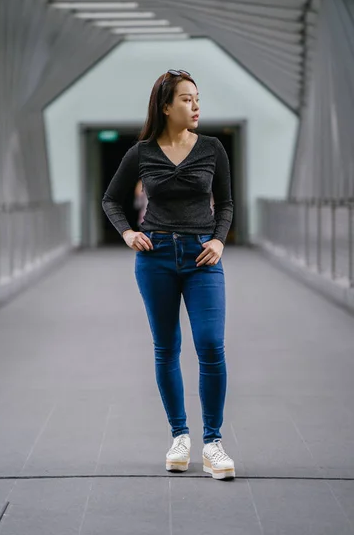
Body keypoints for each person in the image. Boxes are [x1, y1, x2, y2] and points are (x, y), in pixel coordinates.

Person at [102, 69, 235, 480]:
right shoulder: (140, 153)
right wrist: (127, 232)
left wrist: (218, 240)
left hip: (202, 258)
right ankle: (180, 436)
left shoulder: (212, 148)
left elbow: (226, 203)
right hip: (156, 256)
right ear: (165, 106)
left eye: (197, 99)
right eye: (186, 99)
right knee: (166, 347)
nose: (195, 106)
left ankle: (213, 442)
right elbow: (111, 200)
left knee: (211, 345)